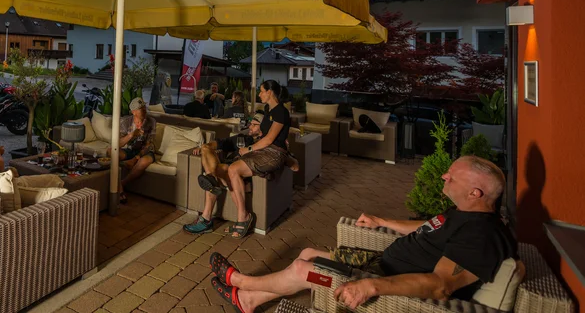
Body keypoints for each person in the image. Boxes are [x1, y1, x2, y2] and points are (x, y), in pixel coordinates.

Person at [206, 156, 517, 313]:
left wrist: (371, 284)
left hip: (384, 286)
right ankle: (248, 301)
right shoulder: (464, 214)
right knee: (308, 253)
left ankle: (241, 284)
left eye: (452, 175)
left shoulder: (482, 236)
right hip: (380, 263)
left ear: (476, 192)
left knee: (306, 270)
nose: (443, 175)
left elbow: (440, 286)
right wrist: (384, 221)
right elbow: (426, 228)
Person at [184, 80, 291, 238]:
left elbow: (270, 140)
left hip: (271, 153)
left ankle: (241, 217)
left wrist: (248, 149)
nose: (259, 94)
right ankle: (223, 213)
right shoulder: (269, 109)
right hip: (264, 151)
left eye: (262, 91)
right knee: (218, 170)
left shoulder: (281, 112)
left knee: (229, 170)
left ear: (270, 92)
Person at [117, 97, 157, 203]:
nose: (144, 109)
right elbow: (118, 144)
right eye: (141, 108)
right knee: (110, 151)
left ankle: (121, 184)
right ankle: (118, 187)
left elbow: (149, 144)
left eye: (144, 107)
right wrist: (131, 135)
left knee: (146, 160)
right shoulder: (126, 122)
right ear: (134, 112)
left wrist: (136, 158)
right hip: (129, 150)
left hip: (144, 152)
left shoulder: (151, 121)